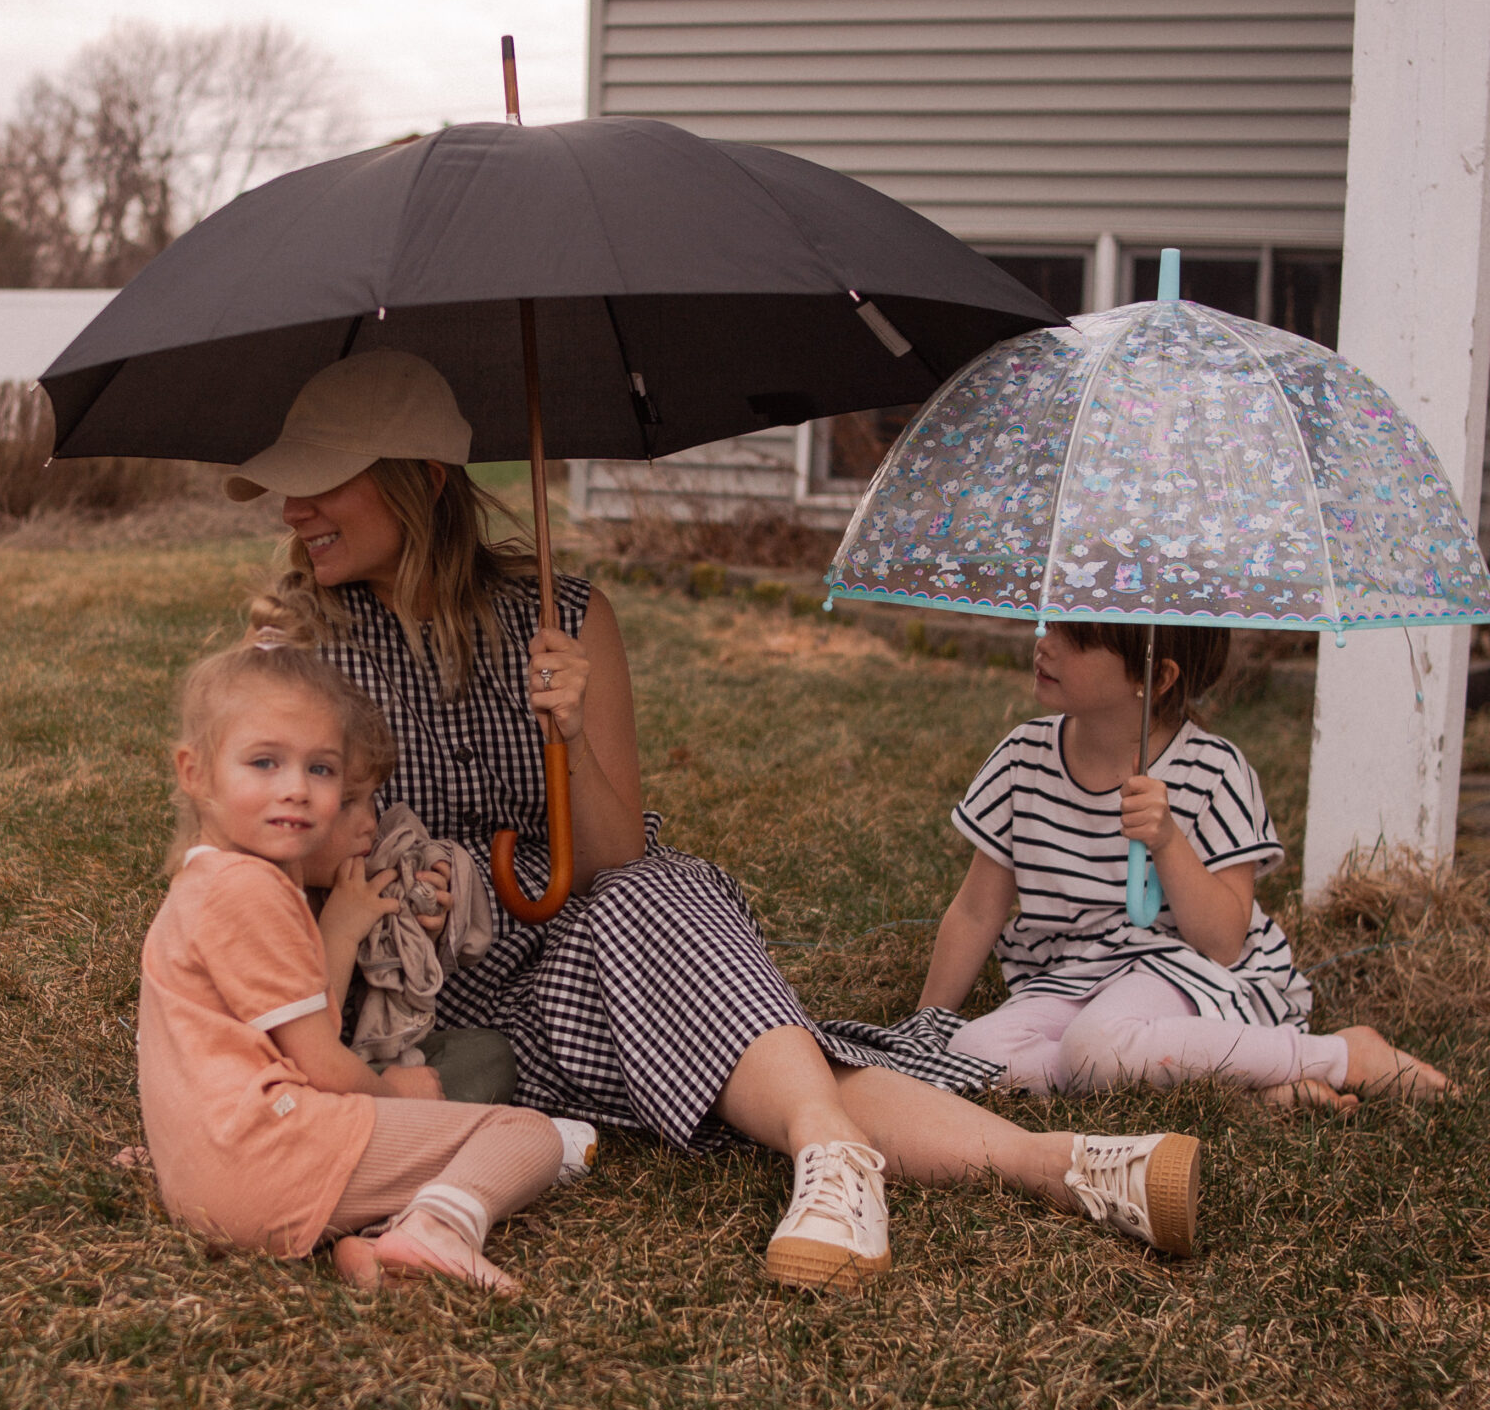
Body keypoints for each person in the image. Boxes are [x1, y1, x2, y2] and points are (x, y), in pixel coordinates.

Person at [226, 349, 1204, 1290]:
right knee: (759, 1050)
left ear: (421, 479)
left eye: (321, 479)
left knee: (663, 898)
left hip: (576, 955)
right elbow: (258, 881)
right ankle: (1004, 1157)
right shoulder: (294, 648)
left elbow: (607, 857)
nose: (292, 509)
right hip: (427, 1013)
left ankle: (1002, 1162)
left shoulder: (564, 616)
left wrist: (564, 730)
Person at [136, 633, 582, 1295]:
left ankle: (375, 1247)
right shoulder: (250, 890)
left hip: (203, 1182)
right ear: (194, 773)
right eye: (264, 763)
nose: (296, 790)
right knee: (528, 1133)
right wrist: (392, 1095)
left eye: (321, 770)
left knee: (447, 1108)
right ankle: (437, 1226)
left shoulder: (204, 883)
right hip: (265, 1165)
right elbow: (319, 1062)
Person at [922, 620, 1447, 1108]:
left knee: (1095, 1048)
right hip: (1075, 976)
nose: (1046, 643)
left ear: (1157, 676)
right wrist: (926, 1024)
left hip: (1188, 971)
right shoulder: (1021, 759)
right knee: (974, 1048)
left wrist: (1168, 841)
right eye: (1052, 621)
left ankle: (1339, 1055)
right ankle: (1238, 1076)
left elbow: (1221, 941)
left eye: (1077, 639)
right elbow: (975, 912)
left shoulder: (1215, 771)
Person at [297, 684, 519, 1104]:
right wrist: (340, 933)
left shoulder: (353, 873)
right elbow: (306, 1055)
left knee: (487, 1055)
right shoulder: (266, 899)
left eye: (371, 800)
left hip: (356, 1069)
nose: (368, 823)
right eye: (346, 804)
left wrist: (416, 911)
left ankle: (408, 1124)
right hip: (296, 1088)